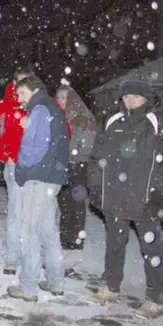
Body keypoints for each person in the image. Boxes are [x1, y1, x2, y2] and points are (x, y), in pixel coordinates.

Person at [86, 78, 163, 319]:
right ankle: (111, 286)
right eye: (126, 97)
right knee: (114, 244)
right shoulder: (113, 120)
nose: (130, 101)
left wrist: (161, 191)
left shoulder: (160, 121)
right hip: (116, 196)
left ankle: (155, 297)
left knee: (152, 248)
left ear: (146, 97)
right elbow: (97, 156)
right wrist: (96, 186)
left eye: (136, 96)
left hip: (146, 199)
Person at [6, 75, 70, 302]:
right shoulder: (52, 108)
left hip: (38, 179)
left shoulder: (40, 109)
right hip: (51, 179)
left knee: (29, 233)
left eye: (21, 94)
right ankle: (56, 282)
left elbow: (33, 148)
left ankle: (28, 287)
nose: (19, 99)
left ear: (33, 90)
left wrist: (22, 171)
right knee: (48, 232)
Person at [0, 67, 33, 275]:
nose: (23, 88)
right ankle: (12, 257)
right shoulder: (4, 106)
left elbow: (60, 131)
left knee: (35, 213)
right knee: (15, 212)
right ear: (13, 83)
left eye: (27, 83)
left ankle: (32, 256)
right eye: (20, 82)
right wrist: (5, 156)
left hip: (37, 168)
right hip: (13, 167)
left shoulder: (40, 105)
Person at [55, 85, 98, 250]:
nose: (61, 101)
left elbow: (88, 143)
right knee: (63, 200)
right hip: (63, 164)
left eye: (65, 97)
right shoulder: (59, 116)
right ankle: (65, 235)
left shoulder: (82, 118)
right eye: (59, 97)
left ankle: (77, 237)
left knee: (77, 202)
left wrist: (74, 155)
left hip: (79, 165)